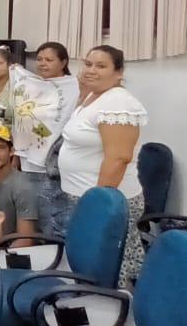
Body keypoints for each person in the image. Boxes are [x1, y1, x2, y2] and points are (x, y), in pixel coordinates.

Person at [58, 45, 148, 286]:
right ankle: (95, 307)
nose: (91, 70)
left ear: (119, 72)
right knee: (94, 263)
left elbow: (118, 158)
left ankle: (119, 313)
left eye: (101, 66)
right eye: (88, 64)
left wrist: (98, 206)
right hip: (86, 197)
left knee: (113, 270)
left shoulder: (119, 103)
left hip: (109, 202)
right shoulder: (94, 95)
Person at [22, 42, 79, 238]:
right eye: (39, 59)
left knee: (53, 218)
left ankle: (56, 259)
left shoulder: (75, 88)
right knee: (32, 215)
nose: (42, 64)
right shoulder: (32, 86)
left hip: (54, 166)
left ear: (63, 62)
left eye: (49, 60)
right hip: (28, 162)